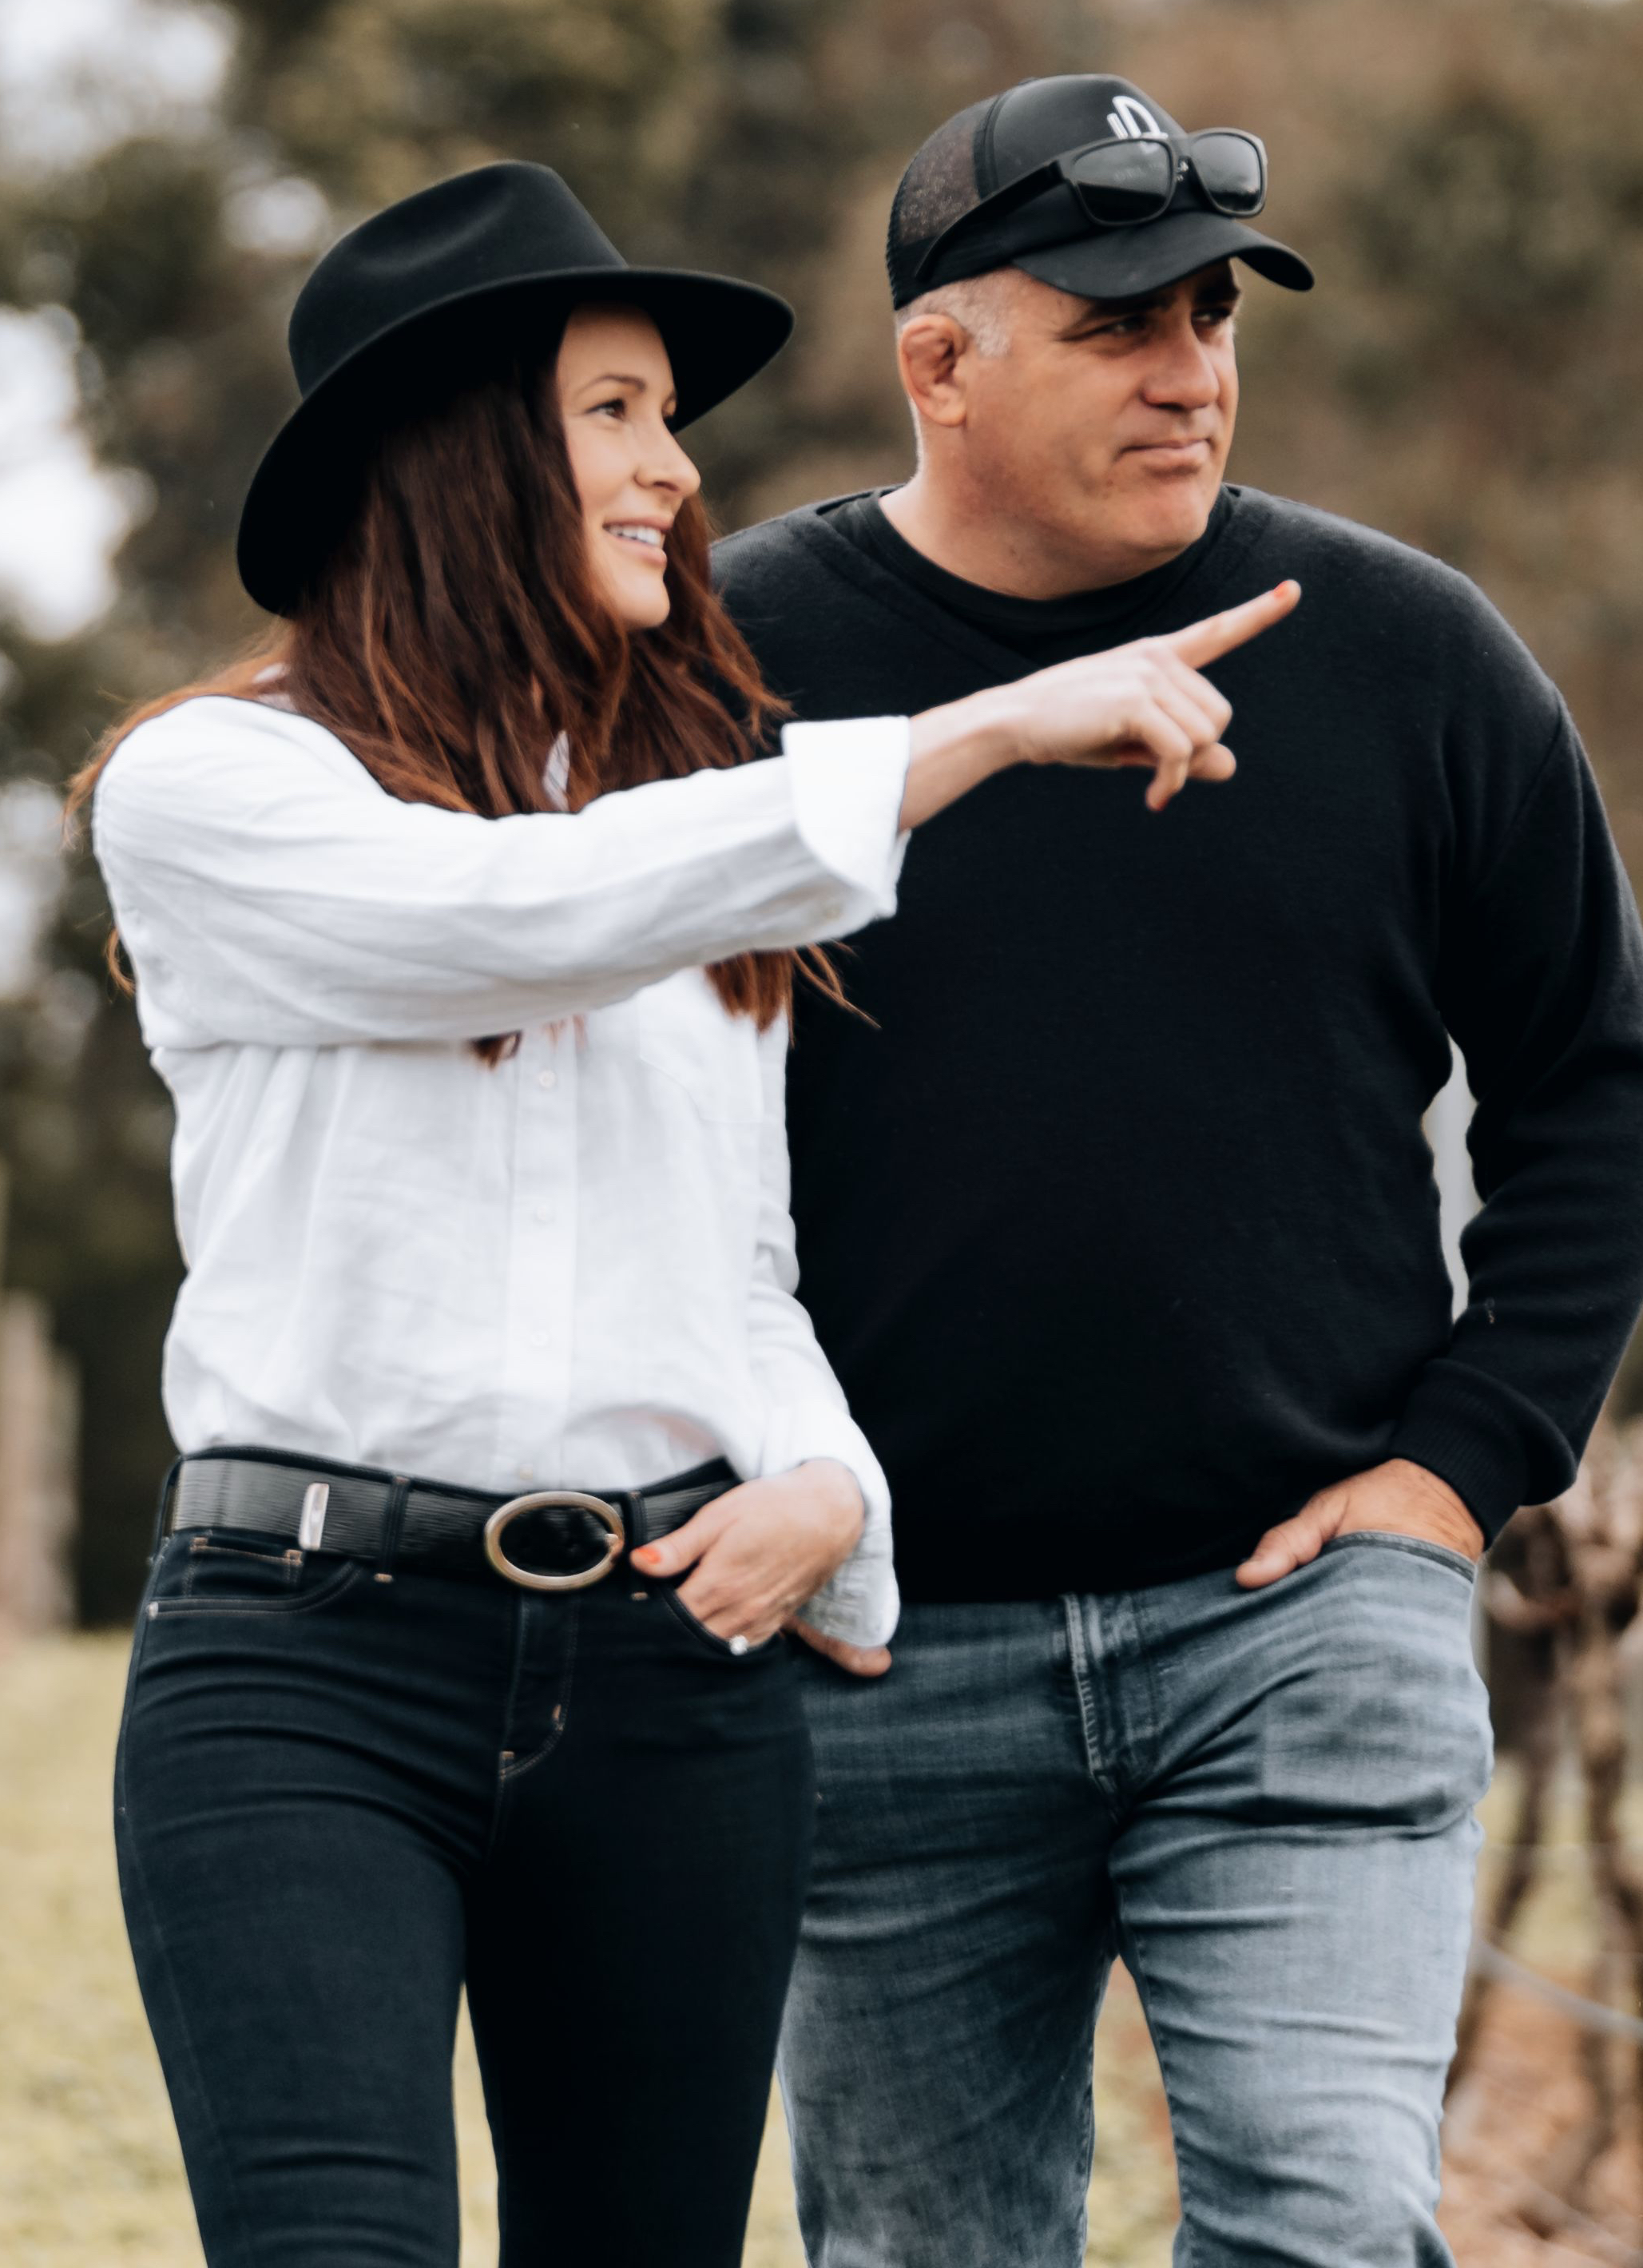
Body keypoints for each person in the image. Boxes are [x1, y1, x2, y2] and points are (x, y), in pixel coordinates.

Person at [84, 157, 1300, 2268]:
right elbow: (497, 924)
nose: (674, 468)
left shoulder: (697, 835)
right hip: (307, 1668)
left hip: (673, 1683)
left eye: (670, 419)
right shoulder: (215, 788)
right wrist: (979, 731)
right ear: (458, 459)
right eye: (618, 413)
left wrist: (826, 1477)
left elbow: (734, 1264)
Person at [714, 74, 1643, 2268]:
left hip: (1300, 1633)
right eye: (1120, 322)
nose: (1194, 372)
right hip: (879, 1655)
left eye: (1218, 316)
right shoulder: (733, 669)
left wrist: (1454, 1476)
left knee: (1332, 2233)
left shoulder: (1414, 661)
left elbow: (1597, 1095)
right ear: (937, 365)